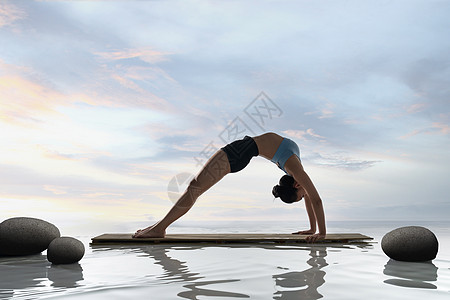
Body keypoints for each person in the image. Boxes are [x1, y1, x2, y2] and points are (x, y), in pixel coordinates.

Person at [133, 132, 326, 242]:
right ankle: (159, 227)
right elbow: (315, 199)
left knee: (195, 188)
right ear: (297, 185)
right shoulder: (294, 168)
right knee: (195, 188)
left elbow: (310, 199)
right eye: (301, 195)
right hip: (241, 152)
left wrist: (312, 229)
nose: (305, 195)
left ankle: (160, 227)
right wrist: (321, 233)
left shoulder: (293, 170)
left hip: (240, 153)